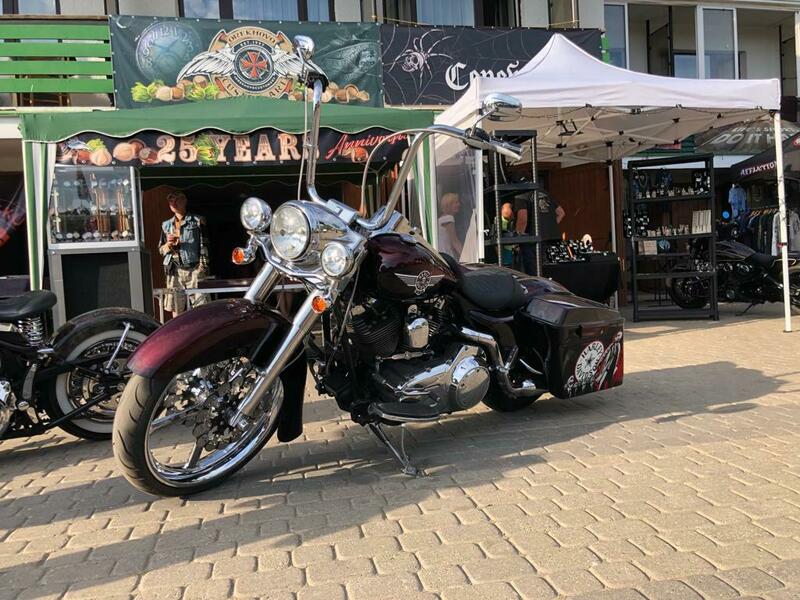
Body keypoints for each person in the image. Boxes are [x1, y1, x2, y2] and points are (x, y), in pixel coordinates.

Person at [159, 190, 210, 316]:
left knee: (201, 308)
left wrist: (202, 267)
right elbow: (161, 250)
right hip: (175, 271)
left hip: (194, 269)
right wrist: (168, 244)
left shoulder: (197, 221)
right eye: (171, 201)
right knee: (176, 309)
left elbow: (205, 245)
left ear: (185, 200)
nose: (174, 203)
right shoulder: (166, 225)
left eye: (177, 199)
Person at [514, 188, 565, 274]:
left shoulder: (521, 196)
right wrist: (549, 226)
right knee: (545, 269)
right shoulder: (545, 194)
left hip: (530, 240)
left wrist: (516, 240)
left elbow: (522, 220)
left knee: (531, 272)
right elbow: (561, 213)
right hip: (547, 239)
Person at [438, 192, 463, 258]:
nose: (459, 205)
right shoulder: (448, 218)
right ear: (448, 205)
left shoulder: (440, 219)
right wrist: (465, 256)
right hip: (446, 254)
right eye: (456, 203)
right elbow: (454, 241)